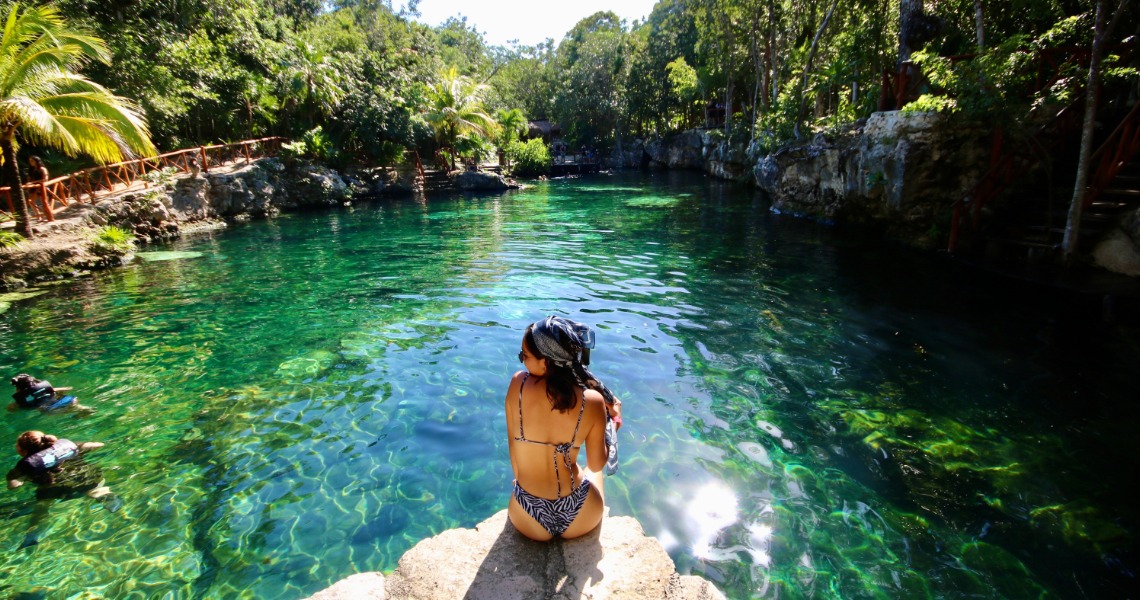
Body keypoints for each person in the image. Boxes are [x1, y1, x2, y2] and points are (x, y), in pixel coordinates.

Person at [506, 315, 623, 541]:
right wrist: (614, 422)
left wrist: (520, 480)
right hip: (580, 514)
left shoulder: (517, 385)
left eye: (525, 356)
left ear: (546, 361)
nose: (522, 361)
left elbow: (513, 444)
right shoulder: (592, 400)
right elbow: (597, 463)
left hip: (527, 515)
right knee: (588, 471)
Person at [9, 373, 88, 412]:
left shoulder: (21, 401)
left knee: (64, 411)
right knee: (75, 408)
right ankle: (81, 409)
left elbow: (10, 409)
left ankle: (77, 411)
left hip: (51, 410)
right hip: (69, 400)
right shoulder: (48, 389)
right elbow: (68, 388)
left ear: (18, 388)